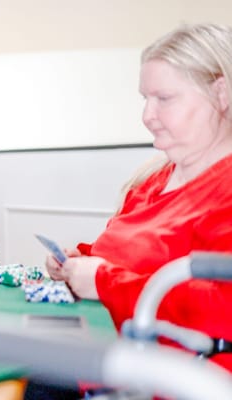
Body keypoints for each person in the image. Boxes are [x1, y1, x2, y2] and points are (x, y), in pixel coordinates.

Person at [46, 23, 232, 374]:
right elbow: (127, 256)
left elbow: (222, 311)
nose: (147, 116)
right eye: (145, 99)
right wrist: (78, 261)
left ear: (221, 93)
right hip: (107, 355)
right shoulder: (151, 180)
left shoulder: (225, 189)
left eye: (164, 99)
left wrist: (103, 282)